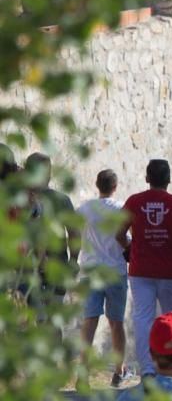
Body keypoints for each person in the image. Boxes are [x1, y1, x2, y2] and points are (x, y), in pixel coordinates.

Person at [117, 159, 172, 378]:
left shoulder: (134, 202)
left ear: (147, 178)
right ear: (169, 179)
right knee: (171, 319)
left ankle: (147, 369)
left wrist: (130, 249)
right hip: (169, 271)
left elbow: (118, 234)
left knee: (142, 318)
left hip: (140, 270)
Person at [78, 169, 131, 387]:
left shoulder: (85, 209)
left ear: (97, 184)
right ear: (115, 187)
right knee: (116, 323)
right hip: (115, 270)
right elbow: (125, 239)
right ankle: (119, 371)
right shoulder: (120, 210)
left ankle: (82, 373)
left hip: (90, 269)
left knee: (89, 321)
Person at [25, 152, 79, 307]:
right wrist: (73, 261)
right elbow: (74, 233)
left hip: (25, 270)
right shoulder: (61, 200)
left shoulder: (19, 199)